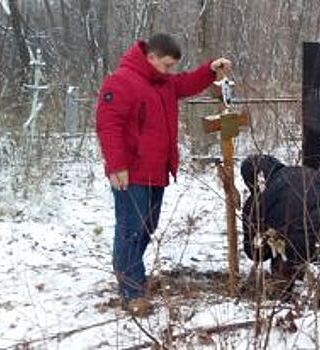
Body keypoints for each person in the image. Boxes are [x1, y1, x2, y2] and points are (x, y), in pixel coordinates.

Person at [95, 33, 231, 316]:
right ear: (151, 57)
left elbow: (186, 83)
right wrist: (116, 165)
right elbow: (108, 125)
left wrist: (209, 69)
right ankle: (132, 290)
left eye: (172, 66)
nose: (170, 71)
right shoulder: (120, 81)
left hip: (157, 170)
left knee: (147, 226)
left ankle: (126, 271)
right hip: (130, 172)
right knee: (131, 229)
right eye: (166, 65)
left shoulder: (163, 82)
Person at [240, 155, 320, 305]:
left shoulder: (256, 202)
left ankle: (285, 295)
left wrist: (266, 243)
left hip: (297, 254)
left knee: (279, 245)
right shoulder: (310, 173)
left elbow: (253, 252)